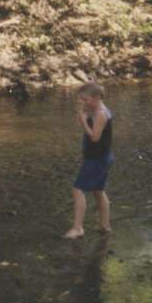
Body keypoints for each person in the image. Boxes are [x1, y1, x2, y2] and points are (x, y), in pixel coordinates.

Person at [64, 82, 113, 239]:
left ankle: (78, 228)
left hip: (97, 158)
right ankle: (105, 226)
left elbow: (94, 137)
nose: (83, 103)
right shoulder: (94, 110)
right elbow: (81, 124)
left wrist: (83, 120)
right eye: (81, 99)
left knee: (77, 190)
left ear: (97, 98)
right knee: (98, 191)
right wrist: (83, 115)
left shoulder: (100, 113)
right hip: (102, 156)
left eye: (85, 99)